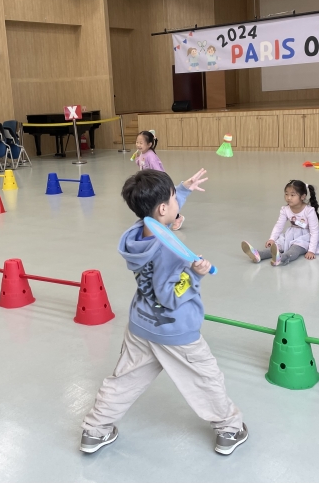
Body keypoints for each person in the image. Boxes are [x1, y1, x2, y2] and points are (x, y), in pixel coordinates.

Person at [80, 168, 248, 456]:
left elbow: (158, 218)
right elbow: (169, 297)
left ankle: (95, 431)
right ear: (162, 208)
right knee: (205, 378)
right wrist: (196, 274)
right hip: (174, 328)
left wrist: (182, 189)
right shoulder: (169, 251)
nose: (176, 202)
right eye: (173, 198)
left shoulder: (136, 233)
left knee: (124, 379)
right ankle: (229, 429)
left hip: (140, 324)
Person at [241, 180, 319, 266]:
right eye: (286, 194)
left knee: (294, 249)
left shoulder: (309, 211)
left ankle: (282, 259)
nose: (288, 198)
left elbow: (314, 231)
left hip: (307, 236)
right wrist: (272, 238)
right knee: (279, 245)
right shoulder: (285, 209)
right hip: (291, 234)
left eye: (292, 195)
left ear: (303, 196)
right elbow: (279, 225)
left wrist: (311, 250)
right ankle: (259, 254)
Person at [133, 130, 184, 231]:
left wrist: (159, 185)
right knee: (153, 203)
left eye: (141, 143)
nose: (138, 145)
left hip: (157, 183)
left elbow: (158, 171)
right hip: (149, 183)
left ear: (149, 144)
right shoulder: (143, 153)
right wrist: (137, 159)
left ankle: (177, 217)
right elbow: (142, 165)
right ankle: (155, 220)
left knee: (160, 203)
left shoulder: (151, 156)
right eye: (137, 142)